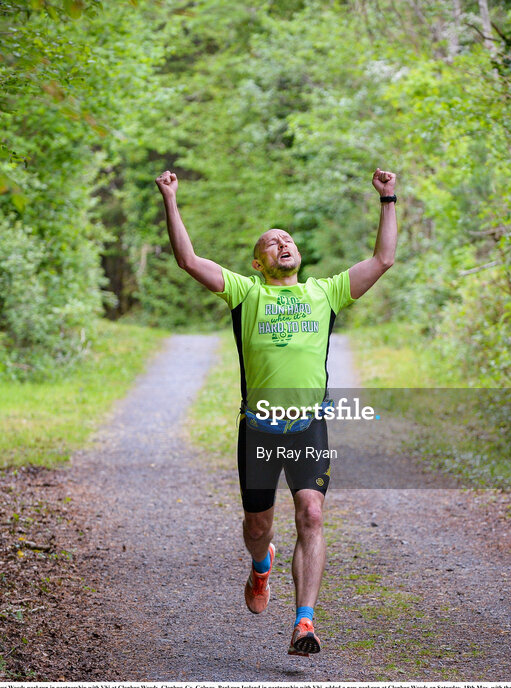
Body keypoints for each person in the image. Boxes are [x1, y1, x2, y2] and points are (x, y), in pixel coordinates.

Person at [155, 167, 397, 656]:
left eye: (288, 239)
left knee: (311, 513)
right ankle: (260, 565)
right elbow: (187, 259)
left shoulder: (324, 293)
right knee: (258, 528)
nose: (283, 244)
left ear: (298, 254)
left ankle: (304, 622)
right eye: (272, 242)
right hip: (259, 431)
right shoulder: (246, 294)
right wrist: (171, 199)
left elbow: (383, 258)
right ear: (258, 262)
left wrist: (388, 198)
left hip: (308, 427)